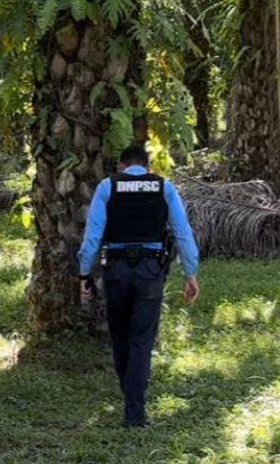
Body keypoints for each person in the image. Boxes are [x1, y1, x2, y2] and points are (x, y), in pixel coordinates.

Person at [77, 144, 201, 428]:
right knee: (142, 340)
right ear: (148, 168)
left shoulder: (108, 186)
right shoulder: (163, 187)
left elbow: (92, 236)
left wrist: (84, 273)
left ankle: (130, 401)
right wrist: (190, 273)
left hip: (116, 271)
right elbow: (182, 232)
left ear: (121, 166)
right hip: (149, 271)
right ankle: (135, 411)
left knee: (119, 335)